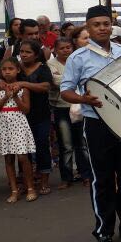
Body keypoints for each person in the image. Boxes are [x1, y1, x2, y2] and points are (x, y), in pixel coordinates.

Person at [60, 6, 121, 242]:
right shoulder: (78, 57)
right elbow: (66, 91)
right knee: (103, 178)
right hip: (97, 125)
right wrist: (83, 99)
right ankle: (104, 230)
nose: (102, 28)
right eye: (96, 24)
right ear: (88, 27)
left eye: (106, 24)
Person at [0, 57, 37, 203]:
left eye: (10, 69)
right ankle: (14, 190)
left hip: (19, 122)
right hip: (5, 124)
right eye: (4, 69)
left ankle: (30, 188)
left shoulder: (23, 88)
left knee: (23, 157)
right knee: (8, 158)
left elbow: (26, 109)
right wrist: (5, 96)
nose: (7, 72)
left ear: (18, 70)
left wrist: (15, 96)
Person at [18, 39, 54, 195]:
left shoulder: (43, 68)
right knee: (23, 150)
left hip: (41, 114)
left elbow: (45, 86)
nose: (24, 55)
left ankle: (44, 181)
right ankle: (28, 182)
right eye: (22, 52)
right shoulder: (16, 68)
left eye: (28, 52)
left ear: (36, 54)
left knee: (42, 146)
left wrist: (24, 84)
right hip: (20, 115)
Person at [48, 37, 81, 189]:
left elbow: (83, 79)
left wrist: (67, 80)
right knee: (66, 144)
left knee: (82, 143)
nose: (66, 50)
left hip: (79, 106)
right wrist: (74, 79)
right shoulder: (50, 64)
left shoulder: (77, 61)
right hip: (61, 107)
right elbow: (56, 82)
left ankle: (85, 174)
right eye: (62, 48)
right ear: (55, 50)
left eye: (68, 47)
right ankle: (66, 177)